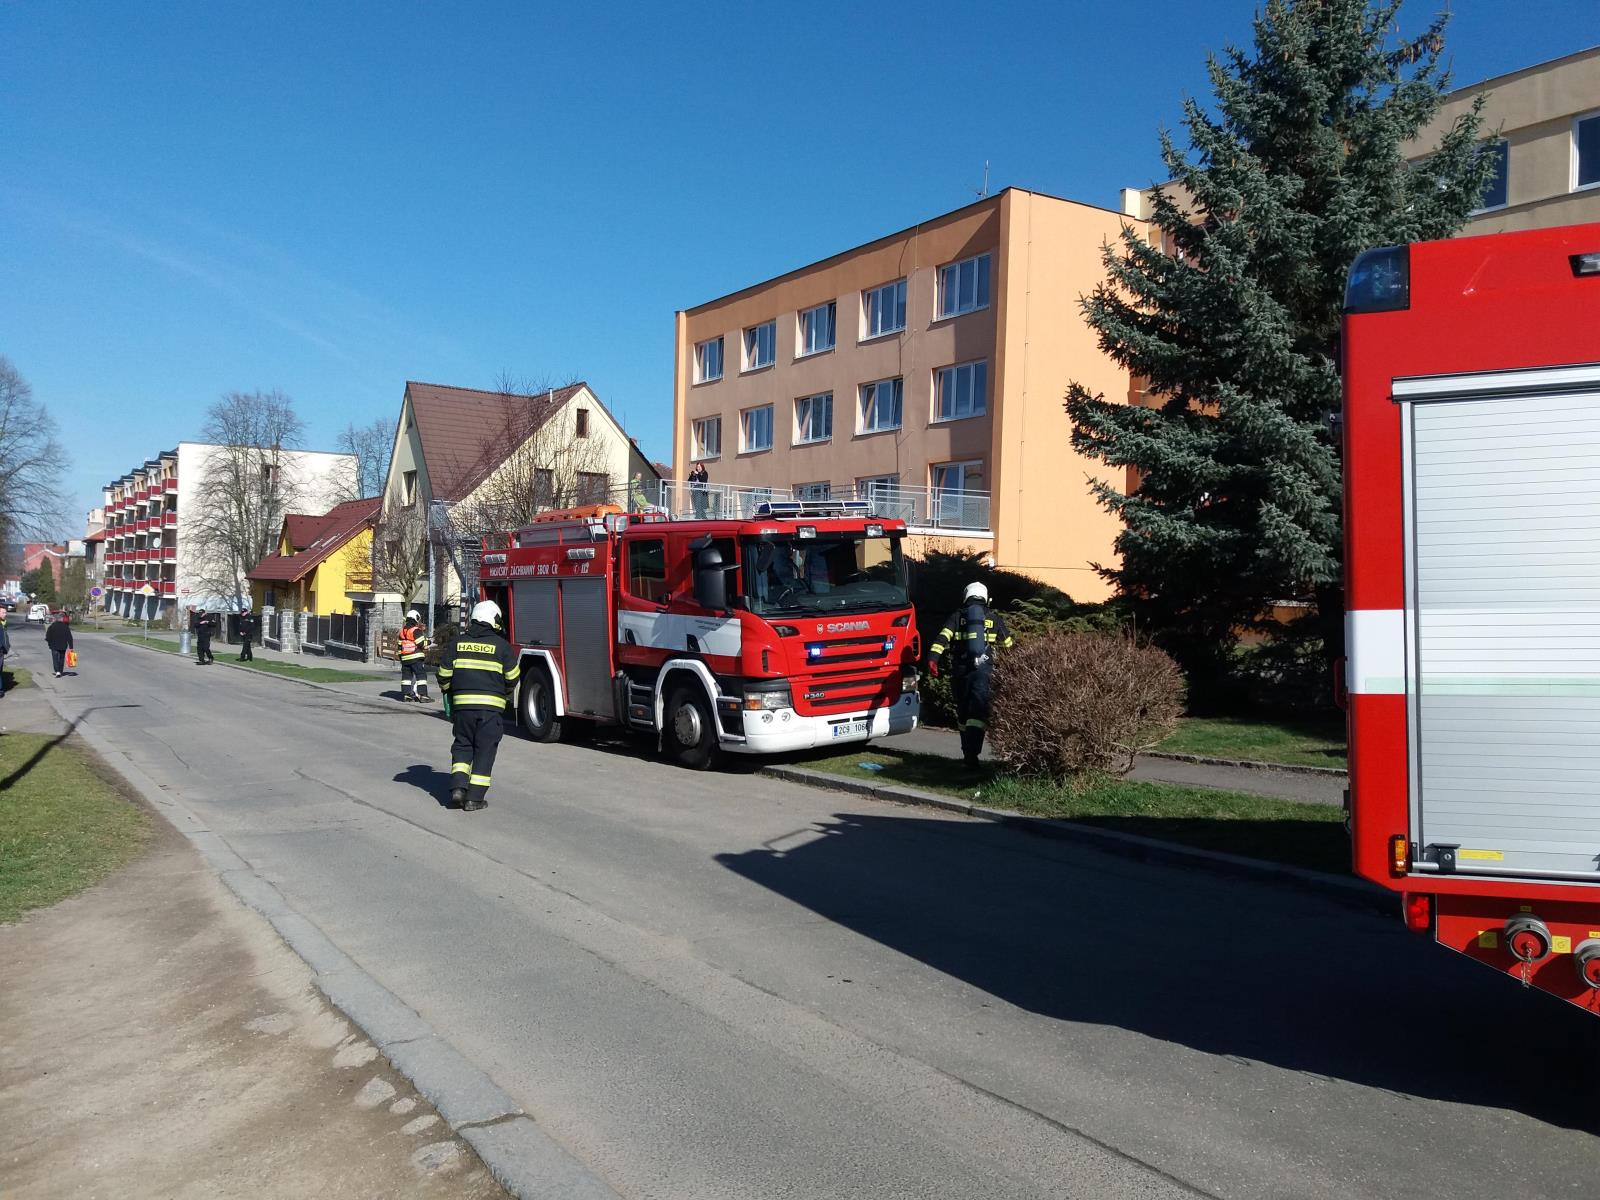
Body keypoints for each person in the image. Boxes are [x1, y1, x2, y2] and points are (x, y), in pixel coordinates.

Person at [436, 599, 520, 811]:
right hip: (490, 711)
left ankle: (458, 788)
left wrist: (449, 692)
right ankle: (474, 798)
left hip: (462, 708)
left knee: (463, 746)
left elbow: (443, 674)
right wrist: (505, 692)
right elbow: (513, 677)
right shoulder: (502, 646)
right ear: (493, 620)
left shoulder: (457, 643)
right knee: (485, 750)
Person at [927, 582, 1014, 767]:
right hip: (984, 671)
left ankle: (966, 751)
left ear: (966, 596)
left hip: (961, 670)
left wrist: (933, 659)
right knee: (978, 712)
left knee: (963, 711)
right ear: (986, 598)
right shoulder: (994, 619)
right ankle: (972, 754)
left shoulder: (957, 617)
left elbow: (942, 638)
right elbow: (1009, 646)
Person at [397, 608, 431, 702]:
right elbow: (421, 643)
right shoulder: (415, 630)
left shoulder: (402, 631)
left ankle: (406, 695)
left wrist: (401, 658)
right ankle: (423, 695)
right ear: (415, 619)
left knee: (406, 678)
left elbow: (399, 646)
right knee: (421, 676)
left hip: (404, 658)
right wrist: (428, 642)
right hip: (415, 658)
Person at [45, 610, 74, 678]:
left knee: (55, 659)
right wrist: (71, 647)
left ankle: (57, 671)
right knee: (61, 658)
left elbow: (48, 636)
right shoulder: (66, 627)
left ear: (56, 619)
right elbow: (69, 637)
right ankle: (60, 671)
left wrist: (49, 643)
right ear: (61, 619)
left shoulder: (52, 626)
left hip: (54, 645)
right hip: (63, 646)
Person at [0, 612, 10, 696]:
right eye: (3, 612)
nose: (5, 614)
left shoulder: (4, 623)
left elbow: (5, 637)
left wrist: (6, 648)